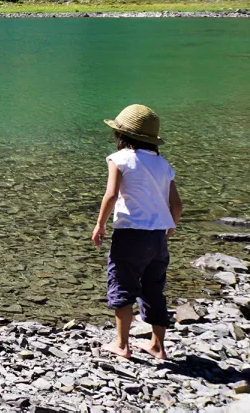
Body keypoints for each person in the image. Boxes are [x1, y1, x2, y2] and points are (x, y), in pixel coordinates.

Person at [91, 104, 183, 360]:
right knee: (153, 289)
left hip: (130, 233)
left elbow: (111, 195)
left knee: (122, 284)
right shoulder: (163, 164)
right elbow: (176, 204)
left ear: (121, 135)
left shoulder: (119, 159)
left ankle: (122, 345)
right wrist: (170, 226)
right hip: (157, 237)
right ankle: (158, 346)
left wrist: (100, 224)